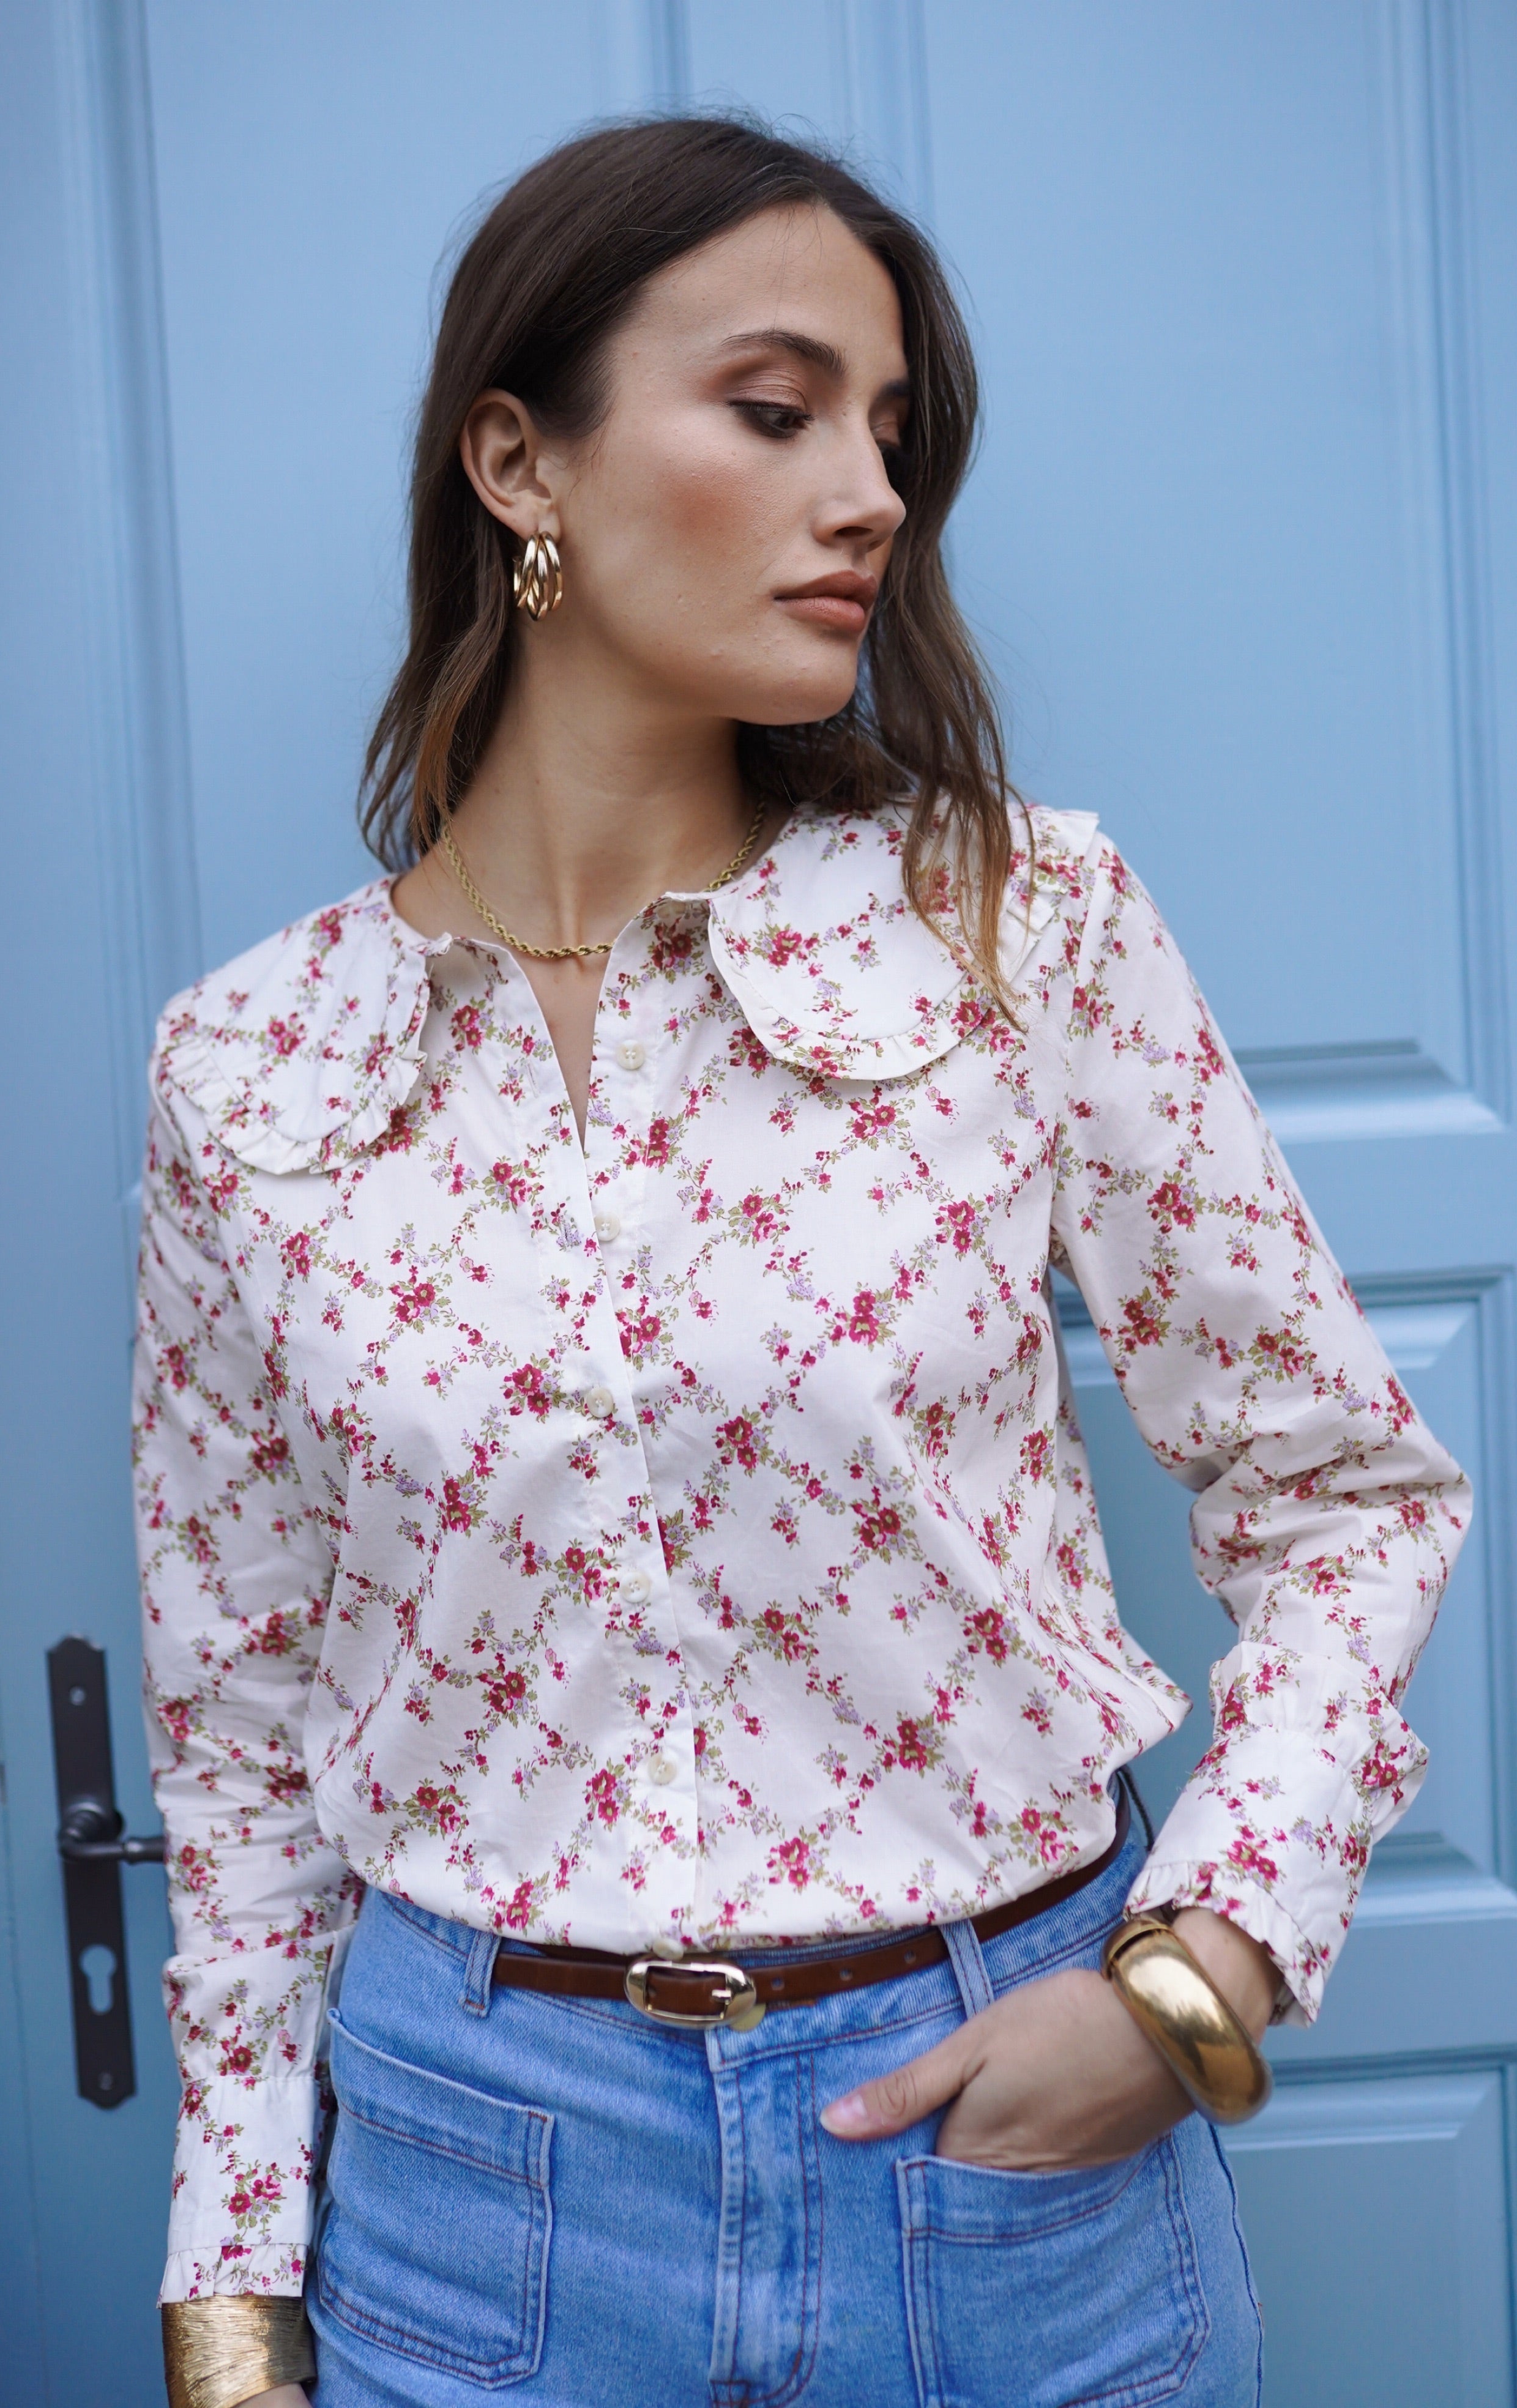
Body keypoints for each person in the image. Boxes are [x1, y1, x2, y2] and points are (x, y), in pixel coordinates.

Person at [138, 117, 1469, 2408]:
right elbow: (240, 1741)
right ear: (518, 464)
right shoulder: (248, 1068)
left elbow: (1342, 1493)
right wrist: (235, 2304)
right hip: (475, 2191)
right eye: (777, 412)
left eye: (890, 434)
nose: (870, 495)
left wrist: (1198, 1981)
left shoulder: (1013, 922)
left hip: (1008, 2169)